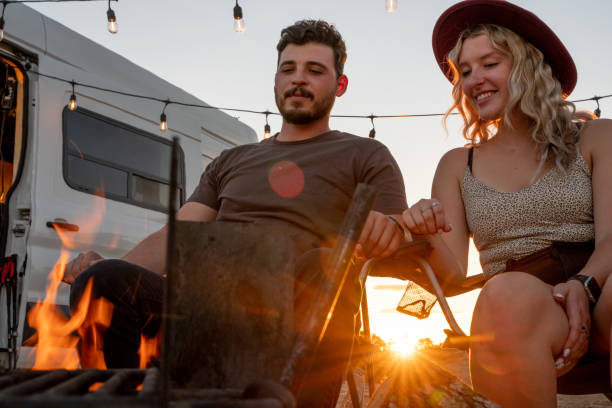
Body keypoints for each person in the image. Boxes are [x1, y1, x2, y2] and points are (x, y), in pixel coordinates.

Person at [64, 19, 408, 407]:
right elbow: (176, 237)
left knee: (327, 264)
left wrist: (394, 230)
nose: (299, 80)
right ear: (275, 80)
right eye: (288, 69)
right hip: (204, 308)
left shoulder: (365, 155)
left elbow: (392, 231)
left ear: (339, 85)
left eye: (315, 70)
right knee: (103, 281)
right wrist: (104, 267)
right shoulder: (232, 160)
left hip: (299, 311)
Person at [402, 1, 612, 407]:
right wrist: (422, 233)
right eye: (464, 71)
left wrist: (584, 286)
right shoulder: (456, 166)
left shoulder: (595, 138)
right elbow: (449, 275)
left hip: (601, 293)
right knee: (505, 296)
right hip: (524, 311)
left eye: (489, 64)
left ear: (528, 64)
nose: (473, 79)